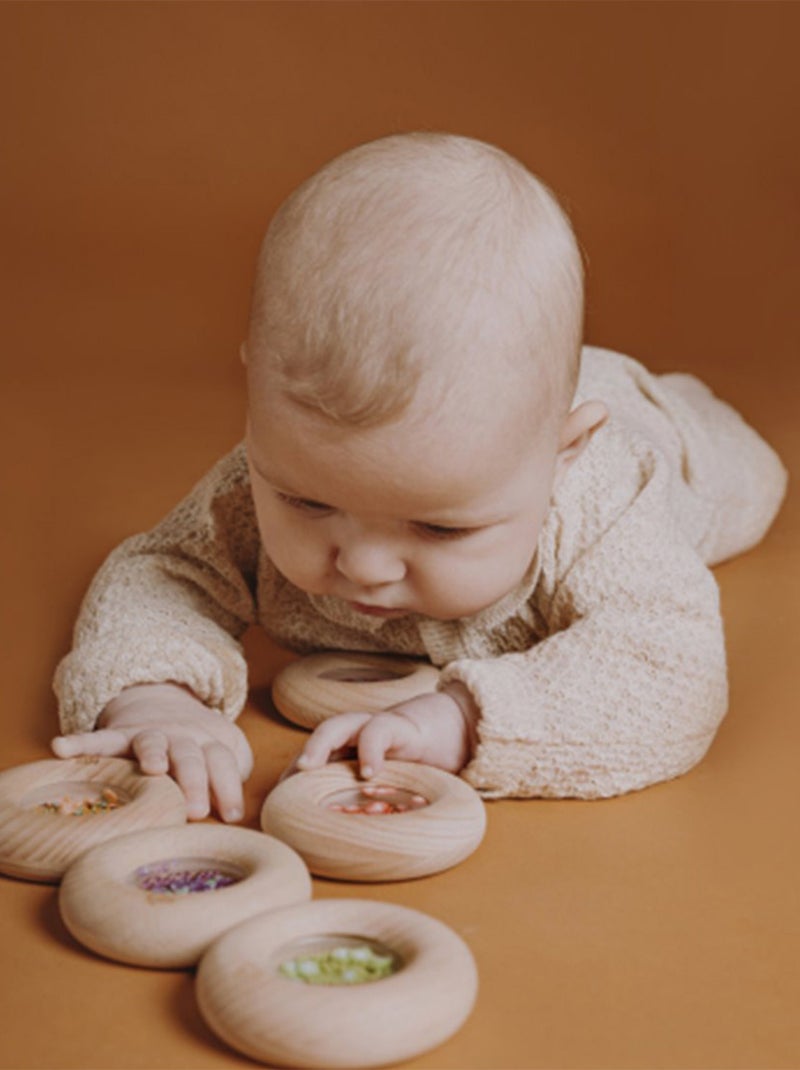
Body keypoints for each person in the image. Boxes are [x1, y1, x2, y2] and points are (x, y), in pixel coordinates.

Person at [51, 132, 787, 823]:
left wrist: (469, 719)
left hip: (650, 427)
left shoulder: (605, 499)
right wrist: (155, 696)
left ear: (560, 460)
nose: (363, 566)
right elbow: (160, 573)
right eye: (309, 502)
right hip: (495, 419)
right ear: (256, 407)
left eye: (441, 525)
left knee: (753, 481)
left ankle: (677, 402)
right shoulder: (264, 471)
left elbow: (669, 671)